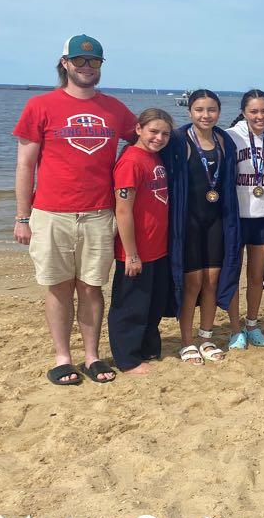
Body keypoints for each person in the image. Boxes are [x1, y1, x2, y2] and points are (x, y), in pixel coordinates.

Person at [13, 34, 137, 385]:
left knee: (91, 288)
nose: (86, 66)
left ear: (100, 66)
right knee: (58, 287)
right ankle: (63, 357)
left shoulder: (114, 109)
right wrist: (22, 217)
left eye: (94, 61)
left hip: (99, 214)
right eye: (79, 60)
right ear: (64, 63)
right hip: (51, 213)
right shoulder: (40, 105)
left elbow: (145, 140)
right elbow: (25, 165)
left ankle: (92, 356)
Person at [163, 89, 241, 366]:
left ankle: (206, 337)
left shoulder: (224, 140)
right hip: (189, 223)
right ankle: (187, 341)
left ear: (219, 112)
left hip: (217, 221)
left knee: (213, 281)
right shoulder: (178, 139)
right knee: (192, 283)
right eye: (199, 110)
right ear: (190, 112)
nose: (205, 115)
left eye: (211, 110)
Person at [107, 108, 174, 375]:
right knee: (130, 306)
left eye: (165, 134)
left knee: (153, 304)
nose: (159, 138)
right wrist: (131, 254)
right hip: (136, 251)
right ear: (138, 129)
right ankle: (127, 359)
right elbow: (123, 210)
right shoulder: (131, 161)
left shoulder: (154, 156)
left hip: (158, 247)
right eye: (153, 131)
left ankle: (147, 348)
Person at [226, 90, 264, 350]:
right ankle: (235, 329)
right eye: (254, 111)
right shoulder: (230, 136)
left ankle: (252, 324)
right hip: (237, 217)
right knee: (233, 275)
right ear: (244, 112)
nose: (260, 116)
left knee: (256, 275)